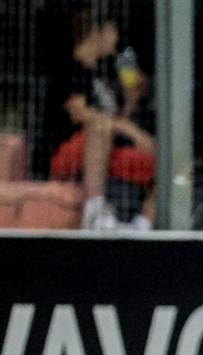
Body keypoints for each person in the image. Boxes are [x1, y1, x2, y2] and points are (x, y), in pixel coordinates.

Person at [47, 5, 156, 230]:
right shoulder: (69, 66)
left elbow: (117, 118)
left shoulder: (105, 71)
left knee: (168, 158)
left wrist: (133, 96)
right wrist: (132, 131)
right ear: (97, 32)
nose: (116, 38)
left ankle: (141, 226)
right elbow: (81, 114)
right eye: (112, 31)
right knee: (99, 125)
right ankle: (94, 212)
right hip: (72, 149)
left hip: (108, 151)